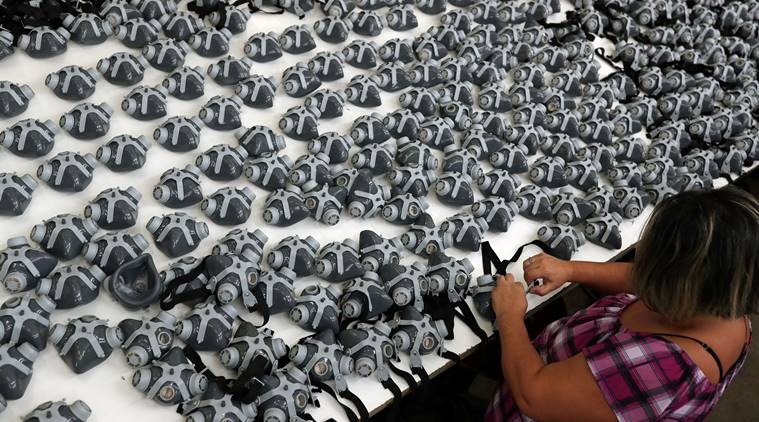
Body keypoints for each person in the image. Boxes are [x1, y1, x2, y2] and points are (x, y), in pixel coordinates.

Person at [485, 186, 758, 422]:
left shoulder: (664, 368)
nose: (642, 268)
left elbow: (532, 395)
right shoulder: (724, 301)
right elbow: (647, 278)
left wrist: (510, 317)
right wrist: (570, 270)